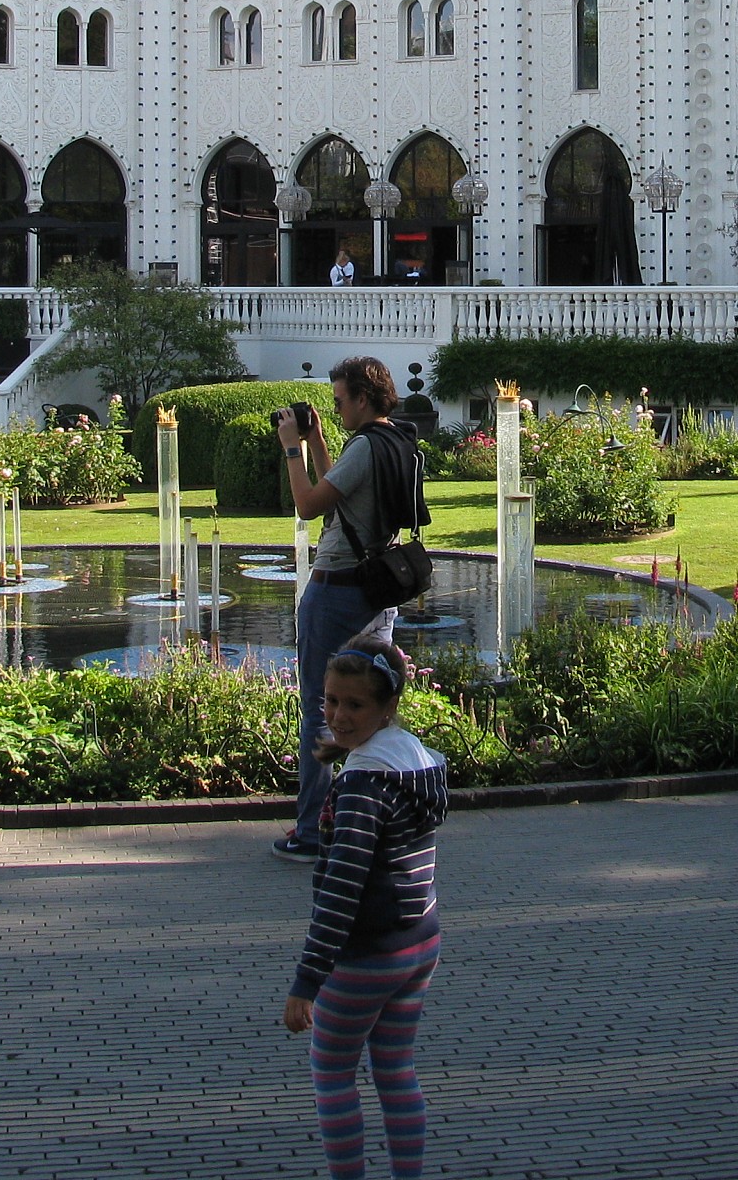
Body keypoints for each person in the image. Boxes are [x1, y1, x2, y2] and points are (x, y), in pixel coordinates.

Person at [282, 629, 448, 1180]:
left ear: (387, 707)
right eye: (329, 700)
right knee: (396, 1069)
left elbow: (342, 889)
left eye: (355, 704)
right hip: (419, 942)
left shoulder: (362, 786)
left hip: (368, 954)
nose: (338, 715)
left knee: (331, 1074)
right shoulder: (413, 763)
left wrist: (308, 980)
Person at [273, 356, 427, 862]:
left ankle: (312, 833)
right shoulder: (397, 439)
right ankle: (373, 817)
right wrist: (318, 442)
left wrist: (292, 450)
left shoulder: (365, 445)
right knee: (373, 707)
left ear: (363, 397)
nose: (336, 407)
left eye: (340, 400)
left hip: (337, 587)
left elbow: (309, 504)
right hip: (377, 590)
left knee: (320, 708)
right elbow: (341, 496)